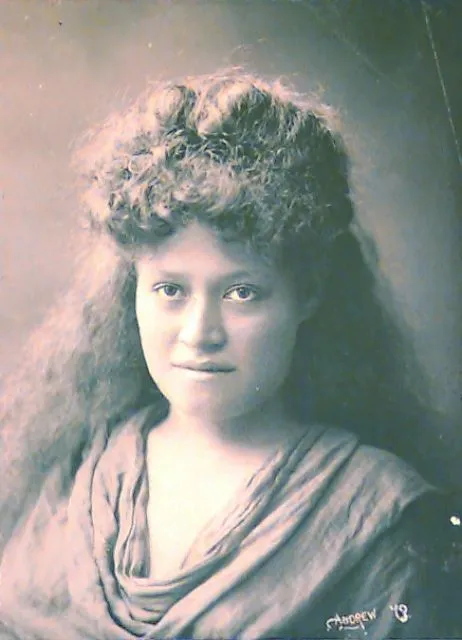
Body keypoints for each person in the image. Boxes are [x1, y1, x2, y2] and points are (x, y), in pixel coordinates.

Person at [0, 70, 460, 640]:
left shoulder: (381, 518)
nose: (200, 332)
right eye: (170, 290)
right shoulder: (84, 477)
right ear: (133, 291)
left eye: (242, 292)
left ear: (307, 294)